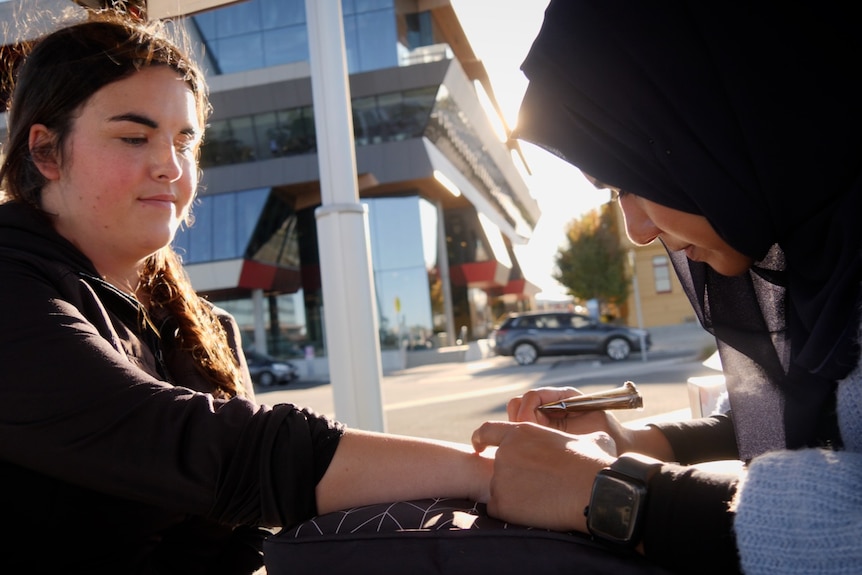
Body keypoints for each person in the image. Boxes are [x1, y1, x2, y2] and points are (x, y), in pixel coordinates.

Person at [0, 12, 492, 574]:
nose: (170, 166)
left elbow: (236, 536)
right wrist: (491, 473)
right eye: (134, 137)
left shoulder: (204, 328)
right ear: (46, 152)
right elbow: (211, 450)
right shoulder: (13, 293)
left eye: (185, 142)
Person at [471, 1, 862, 574]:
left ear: (714, 122)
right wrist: (627, 439)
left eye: (632, 180)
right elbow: (776, 420)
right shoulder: (820, 257)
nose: (637, 230)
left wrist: (611, 497)